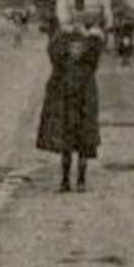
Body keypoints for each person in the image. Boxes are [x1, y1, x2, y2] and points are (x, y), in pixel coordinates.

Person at [36, 24, 103, 192]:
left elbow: (96, 44)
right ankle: (66, 181)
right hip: (68, 111)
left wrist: (88, 34)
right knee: (67, 149)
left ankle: (80, 180)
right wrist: (64, 32)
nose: (76, 50)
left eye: (79, 47)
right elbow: (53, 48)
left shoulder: (85, 65)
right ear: (68, 47)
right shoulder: (64, 66)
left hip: (83, 111)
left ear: (84, 48)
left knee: (82, 148)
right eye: (73, 47)